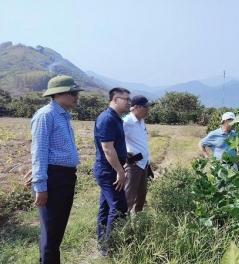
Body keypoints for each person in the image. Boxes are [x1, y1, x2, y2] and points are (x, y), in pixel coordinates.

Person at [28, 74, 84, 263]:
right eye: (72, 92)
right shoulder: (46, 115)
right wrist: (40, 185)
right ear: (57, 94)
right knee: (52, 234)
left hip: (65, 177)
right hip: (54, 179)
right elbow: (39, 151)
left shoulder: (62, 115)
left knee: (55, 231)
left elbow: (48, 150)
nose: (76, 96)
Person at [93, 87, 131, 256]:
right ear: (115, 99)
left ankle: (104, 245)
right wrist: (120, 171)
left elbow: (114, 146)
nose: (129, 102)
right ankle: (112, 248)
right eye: (126, 99)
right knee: (119, 207)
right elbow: (107, 149)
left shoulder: (116, 118)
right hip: (109, 170)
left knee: (107, 207)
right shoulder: (107, 118)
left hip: (112, 168)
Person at [123, 95, 154, 214]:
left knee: (141, 197)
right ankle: (122, 225)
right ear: (136, 107)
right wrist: (125, 155)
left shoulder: (141, 121)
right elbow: (114, 141)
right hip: (133, 165)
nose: (147, 110)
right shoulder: (126, 122)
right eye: (145, 107)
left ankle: (136, 223)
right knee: (128, 196)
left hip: (144, 163)